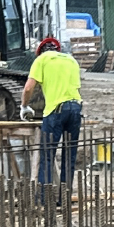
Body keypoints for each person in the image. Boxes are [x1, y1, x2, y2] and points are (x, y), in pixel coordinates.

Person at [24, 33, 82, 189]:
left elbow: (28, 88)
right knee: (69, 156)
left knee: (48, 155)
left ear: (41, 51)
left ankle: (45, 199)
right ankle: (65, 198)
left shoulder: (42, 60)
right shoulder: (71, 60)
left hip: (55, 111)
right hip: (76, 108)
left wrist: (24, 106)